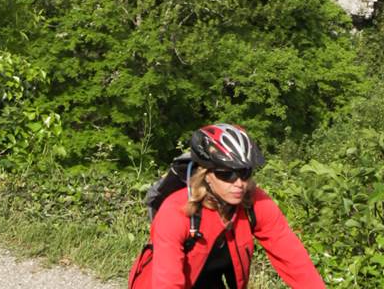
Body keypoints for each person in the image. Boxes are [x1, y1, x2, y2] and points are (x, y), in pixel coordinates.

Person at [129, 123, 326, 289]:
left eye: (244, 172)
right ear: (205, 174)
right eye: (226, 174)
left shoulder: (253, 202)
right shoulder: (176, 211)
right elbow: (168, 282)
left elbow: (293, 259)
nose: (239, 182)